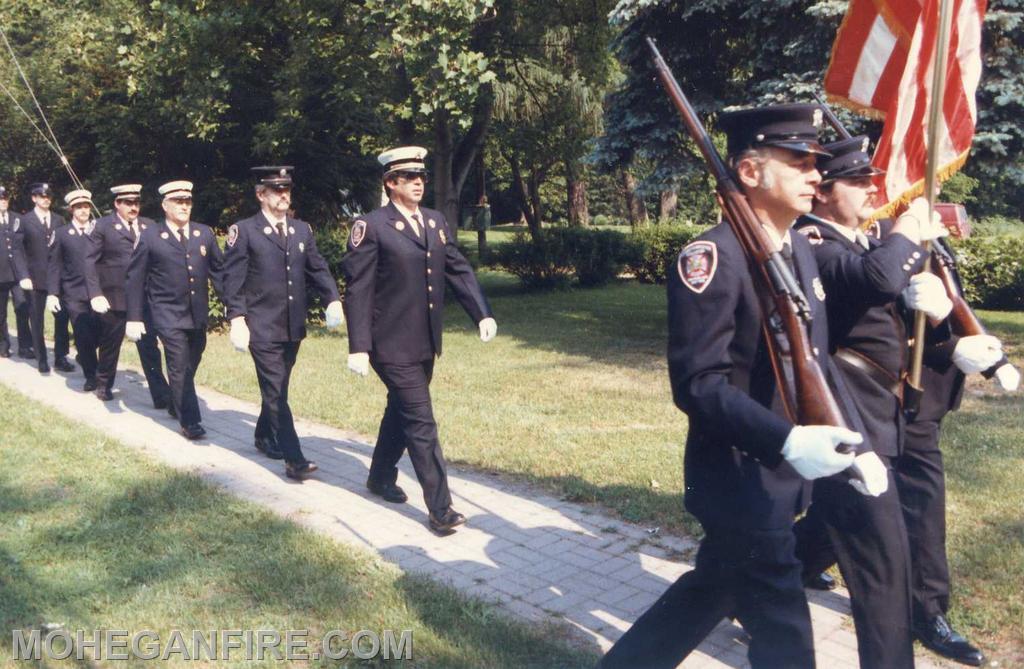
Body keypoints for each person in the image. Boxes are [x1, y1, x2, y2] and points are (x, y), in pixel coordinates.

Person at [598, 105, 873, 669]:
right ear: (750, 172)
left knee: (711, 590)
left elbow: (815, 360)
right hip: (739, 480)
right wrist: (787, 442)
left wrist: (853, 445)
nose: (816, 175)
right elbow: (699, 385)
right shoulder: (712, 257)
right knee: (786, 635)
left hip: (779, 481)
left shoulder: (798, 248)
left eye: (816, 163)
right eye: (799, 162)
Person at [792, 135, 951, 668]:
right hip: (848, 411)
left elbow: (889, 300)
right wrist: (906, 233)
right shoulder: (810, 241)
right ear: (823, 193)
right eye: (858, 181)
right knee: (883, 560)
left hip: (888, 408)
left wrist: (942, 312)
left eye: (872, 178)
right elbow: (879, 278)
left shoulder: (862, 240)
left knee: (832, 533)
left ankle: (758, 582)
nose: (872, 189)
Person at [341, 146, 496, 534]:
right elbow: (358, 289)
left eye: (421, 177)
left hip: (425, 341)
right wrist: (358, 345)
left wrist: (482, 312)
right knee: (421, 421)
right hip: (388, 344)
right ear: (390, 183)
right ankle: (440, 509)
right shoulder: (372, 225)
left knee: (402, 411)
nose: (418, 183)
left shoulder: (435, 221)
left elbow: (457, 269)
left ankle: (378, 477)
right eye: (409, 178)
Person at [884, 217, 1017, 666]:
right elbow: (876, 327)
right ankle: (928, 612)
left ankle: (789, 569)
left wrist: (981, 353)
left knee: (859, 499)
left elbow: (949, 305)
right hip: (897, 393)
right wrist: (950, 345)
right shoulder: (880, 234)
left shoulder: (921, 231)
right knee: (920, 501)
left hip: (927, 395)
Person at [221, 166, 345, 480]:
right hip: (260, 325)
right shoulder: (244, 230)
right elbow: (232, 279)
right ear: (261, 194)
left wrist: (332, 298)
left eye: (287, 188)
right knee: (276, 389)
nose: (284, 195)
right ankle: (294, 459)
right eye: (276, 190)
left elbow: (317, 268)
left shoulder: (301, 230)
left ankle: (263, 434)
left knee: (278, 387)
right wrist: (236, 318)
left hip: (292, 326)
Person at [125, 180, 224, 440]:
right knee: (179, 365)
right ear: (165, 205)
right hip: (167, 314)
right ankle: (190, 421)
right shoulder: (150, 236)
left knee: (191, 362)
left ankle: (175, 400)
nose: (184, 206)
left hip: (197, 315)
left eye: (187, 202)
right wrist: (134, 317)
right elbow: (135, 278)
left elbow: (219, 273)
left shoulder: (204, 233)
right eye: (178, 202)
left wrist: (235, 308)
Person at [84, 183, 169, 403]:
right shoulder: (102, 226)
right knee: (111, 344)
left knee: (149, 346)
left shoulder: (149, 226)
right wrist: (95, 293)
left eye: (136, 202)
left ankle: (160, 394)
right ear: (117, 204)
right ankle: (103, 384)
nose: (133, 207)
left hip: (144, 299)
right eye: (128, 203)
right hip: (115, 297)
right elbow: (89, 261)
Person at [46, 189, 102, 391]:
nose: (84, 211)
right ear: (71, 210)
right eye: (79, 207)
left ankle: (85, 355)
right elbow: (55, 265)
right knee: (82, 333)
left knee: (100, 332)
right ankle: (91, 375)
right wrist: (52, 292)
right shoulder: (62, 234)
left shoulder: (99, 231)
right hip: (74, 292)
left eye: (86, 206)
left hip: (98, 292)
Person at [18, 182, 73, 373]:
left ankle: (60, 357)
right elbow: (18, 251)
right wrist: (23, 275)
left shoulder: (59, 220)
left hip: (58, 280)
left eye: (49, 196)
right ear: (34, 198)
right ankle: (42, 358)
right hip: (35, 279)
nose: (46, 199)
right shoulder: (25, 221)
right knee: (37, 319)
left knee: (62, 319)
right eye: (42, 196)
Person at [0, 185, 33, 358]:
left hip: (18, 274)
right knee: (0, 314)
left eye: (5, 198)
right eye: (0, 198)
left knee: (22, 308)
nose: (3, 201)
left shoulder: (18, 219)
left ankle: (25, 346)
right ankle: (3, 345)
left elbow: (26, 244)